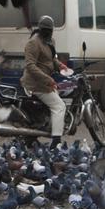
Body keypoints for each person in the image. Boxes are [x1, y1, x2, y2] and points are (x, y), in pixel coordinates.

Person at [21, 15, 64, 149]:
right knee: (59, 106)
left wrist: (60, 65)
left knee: (55, 101)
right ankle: (56, 141)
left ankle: (34, 135)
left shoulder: (50, 41)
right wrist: (49, 79)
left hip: (45, 82)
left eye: (49, 30)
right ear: (40, 29)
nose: (48, 33)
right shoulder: (33, 43)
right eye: (45, 30)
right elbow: (30, 66)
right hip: (35, 83)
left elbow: (51, 59)